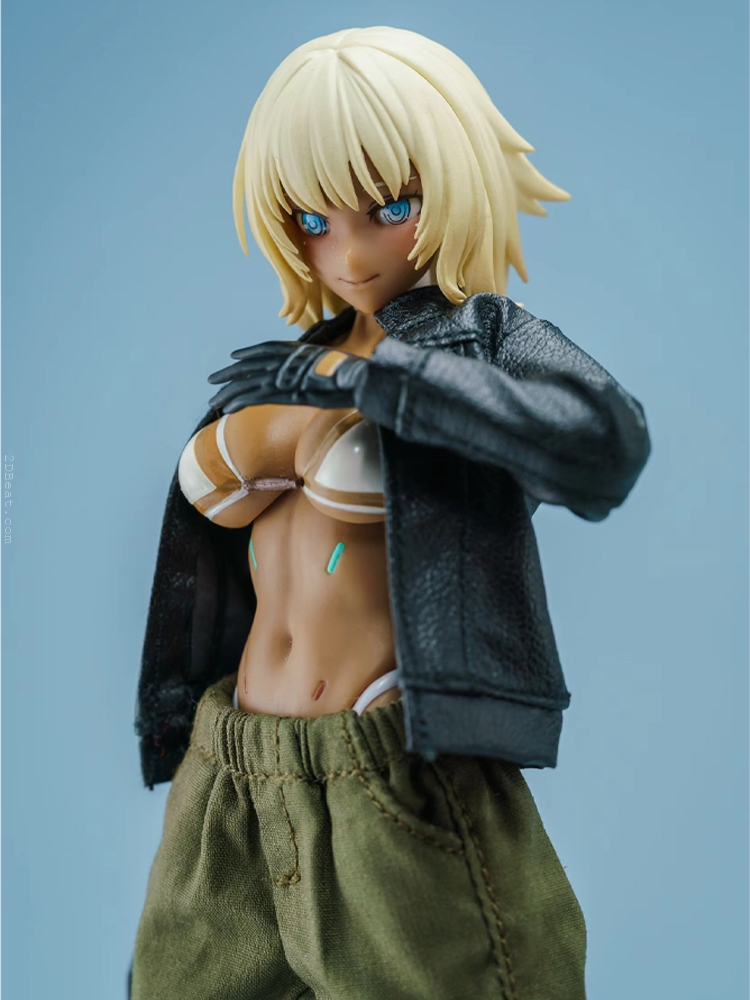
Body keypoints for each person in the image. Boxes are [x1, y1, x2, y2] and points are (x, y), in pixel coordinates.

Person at [131, 26, 650, 1000]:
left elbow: (603, 444)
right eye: (313, 218)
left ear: (451, 185)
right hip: (232, 774)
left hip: (388, 769)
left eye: (391, 207)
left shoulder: (481, 342)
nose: (351, 249)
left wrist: (385, 385)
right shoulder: (288, 364)